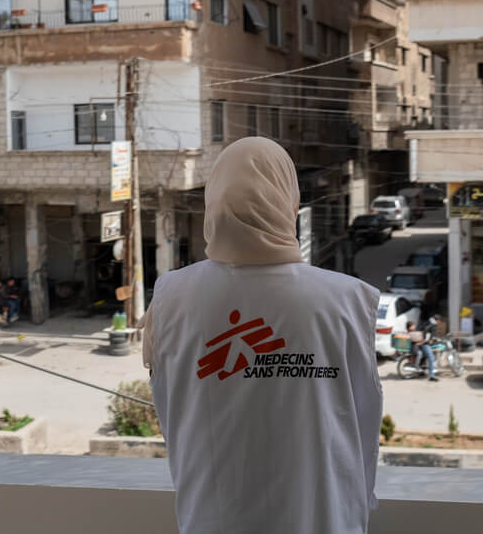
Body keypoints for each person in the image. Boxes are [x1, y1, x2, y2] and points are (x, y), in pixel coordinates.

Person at [141, 137, 382, 534]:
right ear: (290, 203)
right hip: (325, 519)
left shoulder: (171, 297)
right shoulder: (347, 299)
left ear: (213, 201)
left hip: (212, 519)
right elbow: (361, 419)